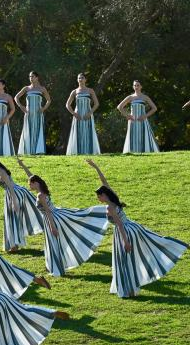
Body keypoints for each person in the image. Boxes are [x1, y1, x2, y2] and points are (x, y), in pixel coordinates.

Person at [87, 159, 187, 298]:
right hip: (132, 227)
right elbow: (104, 182)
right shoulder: (114, 199)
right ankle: (176, 245)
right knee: (150, 243)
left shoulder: (110, 207)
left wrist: (126, 242)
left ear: (104, 195)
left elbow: (119, 225)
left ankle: (128, 290)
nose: (98, 198)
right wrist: (96, 167)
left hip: (124, 232)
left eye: (99, 196)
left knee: (124, 261)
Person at [15, 159, 107, 277]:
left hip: (52, 219)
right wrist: (23, 166)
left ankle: (56, 269)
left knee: (53, 243)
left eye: (30, 184)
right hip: (55, 215)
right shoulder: (42, 191)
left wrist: (52, 227)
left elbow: (48, 212)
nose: (29, 186)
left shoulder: (40, 195)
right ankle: (54, 267)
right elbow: (32, 177)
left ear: (35, 183)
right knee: (54, 242)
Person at [118, 80, 160, 154]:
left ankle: (145, 151)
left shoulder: (145, 97)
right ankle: (132, 152)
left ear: (141, 86)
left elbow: (154, 108)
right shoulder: (130, 97)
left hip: (143, 120)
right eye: (135, 85)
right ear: (133, 87)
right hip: (133, 121)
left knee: (143, 135)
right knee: (133, 136)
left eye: (138, 85)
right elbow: (119, 107)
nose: (136, 87)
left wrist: (145, 116)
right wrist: (127, 115)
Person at [15, 72, 51, 155]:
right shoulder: (26, 88)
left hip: (38, 114)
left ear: (37, 78)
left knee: (38, 131)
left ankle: (37, 151)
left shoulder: (42, 89)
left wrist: (43, 108)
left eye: (32, 76)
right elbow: (16, 97)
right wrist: (21, 106)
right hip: (29, 113)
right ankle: (27, 151)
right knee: (28, 130)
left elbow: (49, 100)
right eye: (30, 76)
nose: (31, 78)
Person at [65, 73, 101, 155]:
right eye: (79, 78)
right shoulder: (74, 91)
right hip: (78, 115)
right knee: (79, 132)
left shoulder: (90, 90)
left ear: (85, 79)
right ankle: (78, 152)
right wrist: (74, 113)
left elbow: (96, 104)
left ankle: (89, 151)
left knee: (88, 131)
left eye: (82, 78)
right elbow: (67, 105)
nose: (80, 79)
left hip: (87, 114)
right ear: (77, 80)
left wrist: (90, 113)